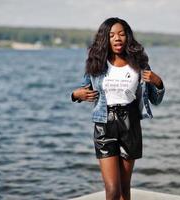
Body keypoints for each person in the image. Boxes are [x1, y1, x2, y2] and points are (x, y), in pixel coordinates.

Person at [71, 17, 165, 200]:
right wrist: (76, 96)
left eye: (121, 34)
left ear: (127, 37)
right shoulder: (96, 64)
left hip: (130, 124)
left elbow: (155, 99)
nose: (117, 38)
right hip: (104, 125)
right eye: (112, 35)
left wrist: (158, 82)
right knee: (113, 190)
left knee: (124, 190)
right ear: (105, 39)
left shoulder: (140, 65)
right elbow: (84, 90)